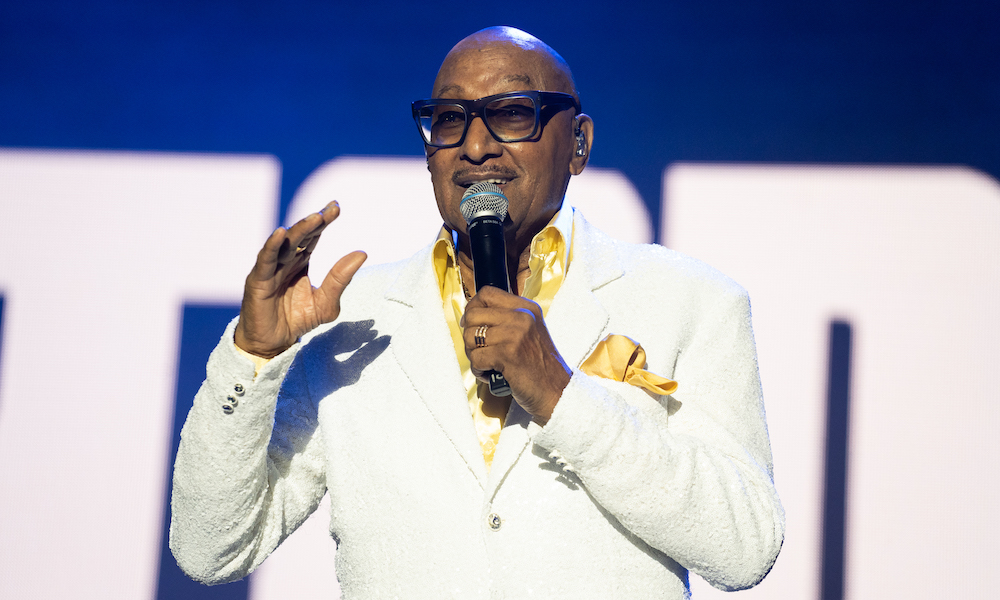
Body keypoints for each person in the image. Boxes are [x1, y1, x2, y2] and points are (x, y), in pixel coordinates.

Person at [170, 26, 784, 599]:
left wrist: (561, 394)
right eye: (450, 119)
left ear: (579, 143)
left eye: (513, 113)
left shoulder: (690, 298)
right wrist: (252, 357)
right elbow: (211, 549)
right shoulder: (354, 319)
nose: (476, 146)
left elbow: (744, 547)